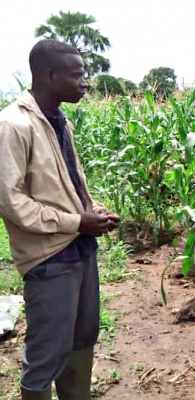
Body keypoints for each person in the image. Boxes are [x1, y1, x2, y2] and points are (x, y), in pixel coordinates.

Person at [0, 39, 120, 400]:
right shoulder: (13, 125)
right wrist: (76, 222)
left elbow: (63, 184)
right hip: (49, 258)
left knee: (83, 339)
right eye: (77, 74)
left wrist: (91, 208)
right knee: (47, 354)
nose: (85, 82)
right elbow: (10, 200)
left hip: (80, 251)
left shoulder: (59, 122)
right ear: (49, 75)